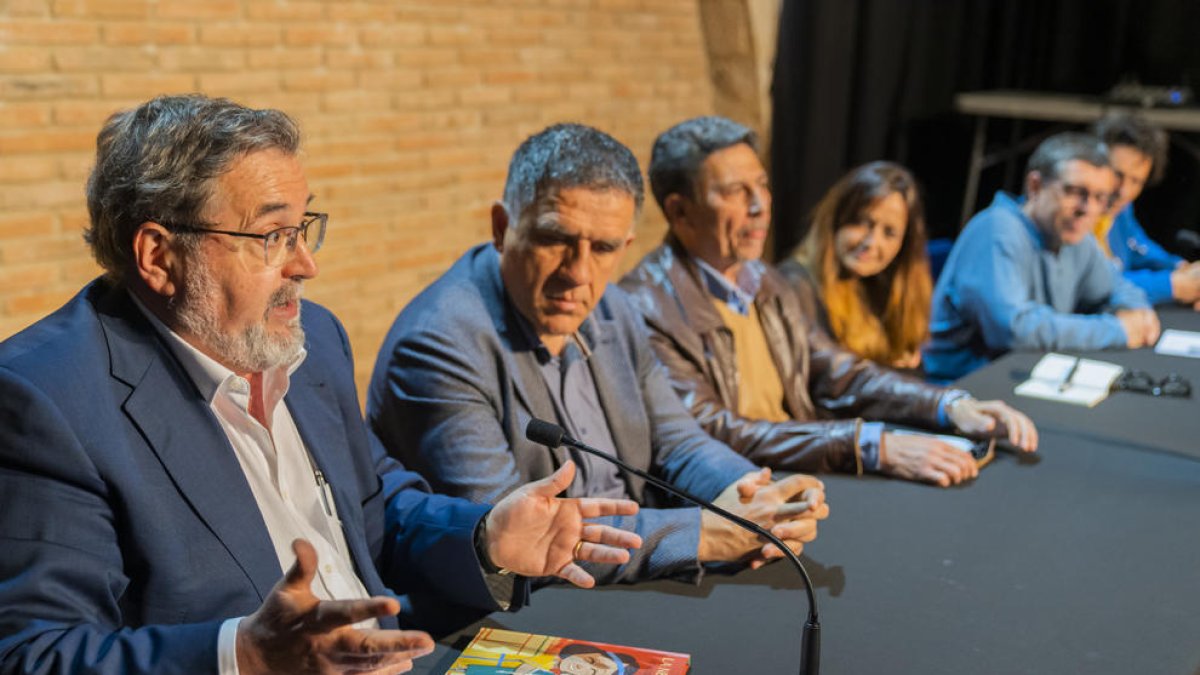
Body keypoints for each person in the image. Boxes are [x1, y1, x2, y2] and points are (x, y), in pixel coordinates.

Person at [0, 94, 646, 675]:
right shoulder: (45, 399)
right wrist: (241, 655)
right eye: (273, 235)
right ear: (159, 256)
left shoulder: (313, 340)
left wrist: (483, 538)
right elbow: (33, 651)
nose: (306, 264)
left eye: (304, 227)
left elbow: (375, 506)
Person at [368, 123, 829, 585]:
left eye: (604, 248)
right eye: (555, 239)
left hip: (631, 575)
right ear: (503, 228)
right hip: (524, 606)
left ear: (625, 246)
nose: (578, 273)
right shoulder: (438, 345)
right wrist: (705, 534)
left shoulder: (615, 307)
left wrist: (755, 497)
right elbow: (520, 539)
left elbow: (678, 441)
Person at [619, 116, 1037, 489]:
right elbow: (715, 430)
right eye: (734, 191)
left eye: (762, 185)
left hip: (801, 470)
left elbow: (838, 372)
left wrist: (948, 405)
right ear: (679, 211)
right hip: (739, 492)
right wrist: (870, 446)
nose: (760, 206)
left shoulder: (763, 278)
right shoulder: (643, 305)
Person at [926, 132, 1160, 380]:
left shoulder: (1074, 235)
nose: (1086, 209)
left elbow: (1119, 288)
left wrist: (1136, 314)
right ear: (1035, 186)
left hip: (1023, 376)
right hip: (963, 386)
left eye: (1099, 197)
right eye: (1074, 191)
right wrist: (1118, 330)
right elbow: (1014, 330)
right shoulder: (997, 230)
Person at [778, 161, 932, 370]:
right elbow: (824, 378)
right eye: (861, 222)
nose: (871, 242)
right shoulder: (795, 285)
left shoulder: (883, 285)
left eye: (889, 233)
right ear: (837, 219)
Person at [1091, 112, 1200, 309]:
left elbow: (1140, 248)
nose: (1123, 191)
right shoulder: (1073, 215)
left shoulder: (1120, 211)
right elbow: (1092, 286)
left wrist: (1181, 269)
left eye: (1136, 181)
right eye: (1117, 174)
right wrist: (1171, 285)